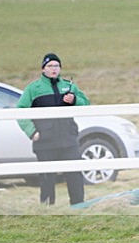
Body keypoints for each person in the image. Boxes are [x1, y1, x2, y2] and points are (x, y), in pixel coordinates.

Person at [17, 53, 90, 205]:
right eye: (50, 66)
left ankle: (78, 207)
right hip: (45, 141)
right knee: (47, 178)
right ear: (43, 69)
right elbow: (20, 111)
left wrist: (75, 100)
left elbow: (86, 105)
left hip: (69, 140)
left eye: (56, 66)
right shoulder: (33, 88)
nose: (54, 69)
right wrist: (31, 132)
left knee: (75, 174)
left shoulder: (69, 86)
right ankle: (47, 209)